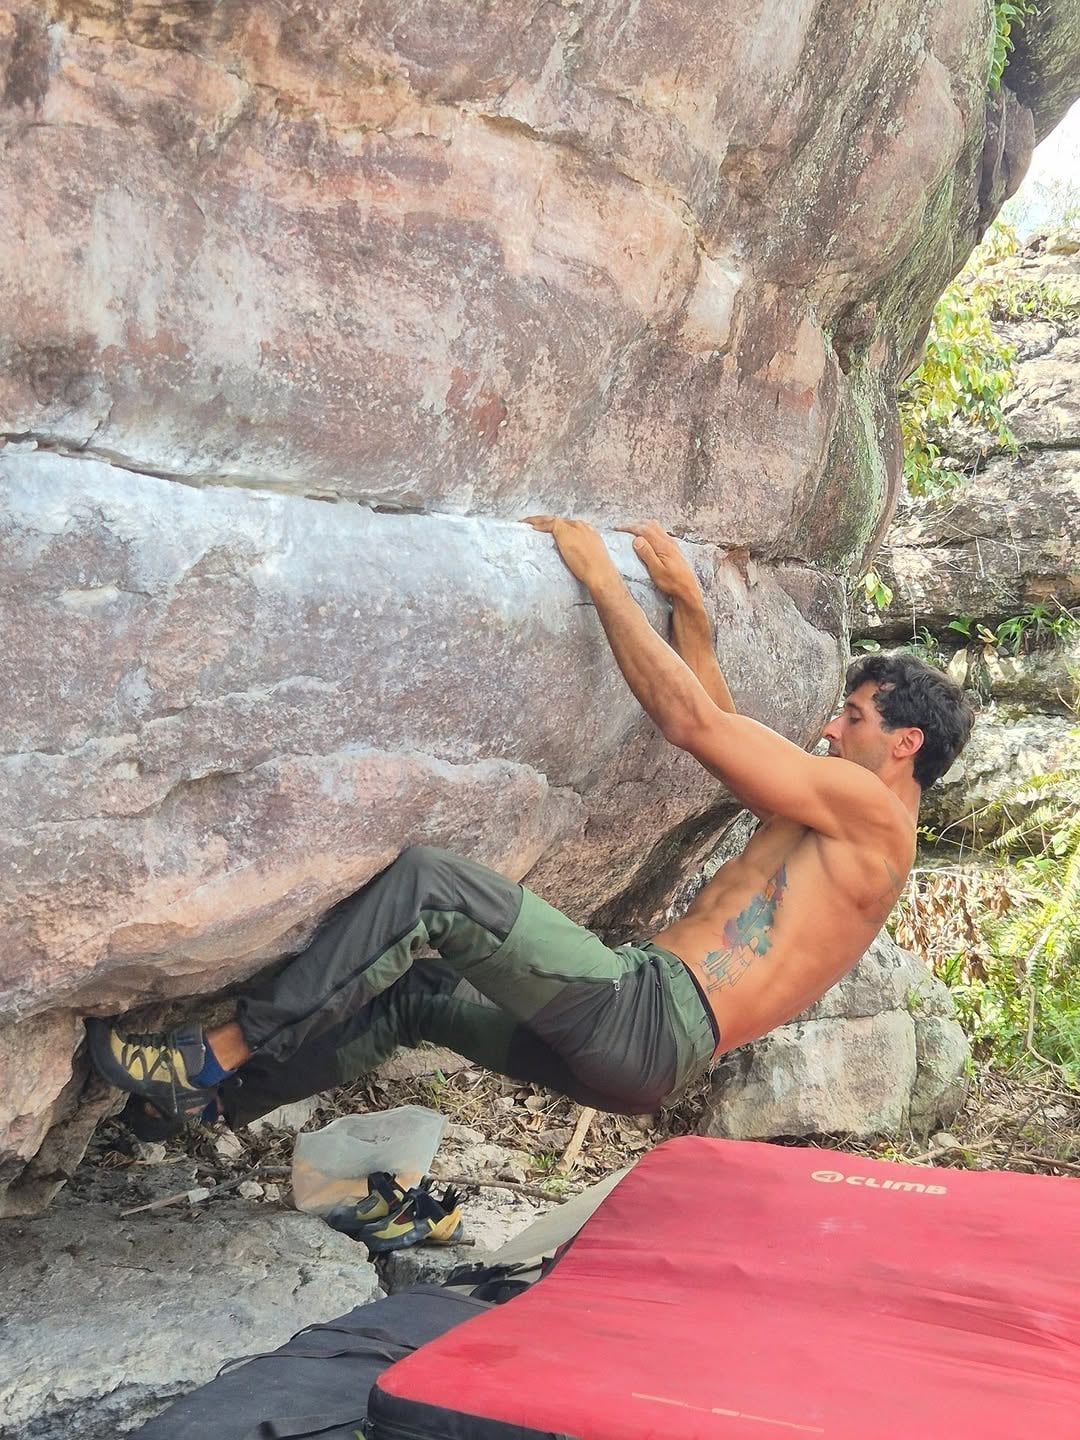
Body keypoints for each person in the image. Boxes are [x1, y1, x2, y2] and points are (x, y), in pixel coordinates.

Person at [87, 518, 974, 1136]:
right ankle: (209, 1109)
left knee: (432, 886)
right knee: (416, 994)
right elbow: (733, 737)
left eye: (853, 717)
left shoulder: (869, 811)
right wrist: (692, 620)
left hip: (644, 1013)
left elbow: (693, 726)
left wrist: (600, 582)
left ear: (905, 743)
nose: (831, 728)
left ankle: (212, 1056)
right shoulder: (859, 828)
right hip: (653, 1063)